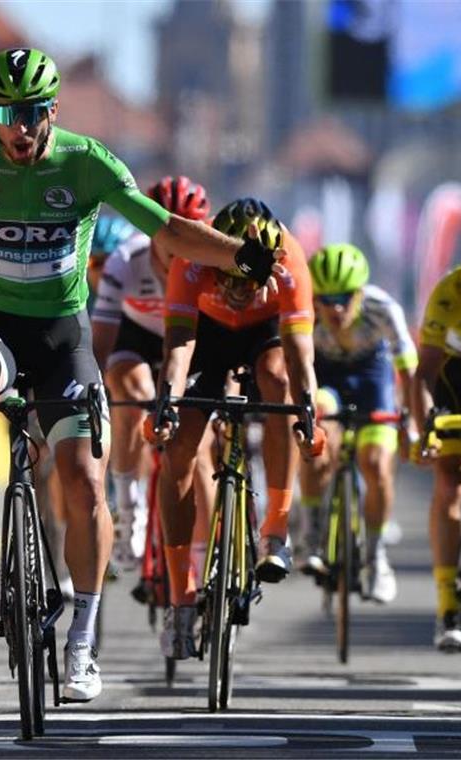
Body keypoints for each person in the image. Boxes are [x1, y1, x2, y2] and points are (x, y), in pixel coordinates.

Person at [0, 49, 285, 703]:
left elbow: (169, 229)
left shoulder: (86, 163)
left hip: (64, 338)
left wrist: (241, 254)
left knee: (85, 481)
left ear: (51, 111)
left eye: (32, 112)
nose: (20, 126)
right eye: (7, 113)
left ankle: (83, 641)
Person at [153, 197, 319, 661]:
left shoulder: (289, 263)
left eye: (251, 282)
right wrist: (167, 401)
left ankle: (276, 531)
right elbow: (179, 347)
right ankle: (181, 597)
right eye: (229, 278)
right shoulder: (191, 260)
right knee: (181, 446)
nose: (239, 290)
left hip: (265, 335)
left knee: (279, 383)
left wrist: (307, 412)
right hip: (206, 335)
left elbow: (300, 355)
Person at [91, 177, 214, 572]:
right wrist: (91, 386)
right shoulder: (124, 261)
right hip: (138, 336)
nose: (180, 248)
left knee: (201, 448)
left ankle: (202, 561)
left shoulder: (209, 264)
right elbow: (102, 339)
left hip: (192, 342)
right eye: (170, 236)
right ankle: (129, 503)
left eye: (189, 236)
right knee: (132, 391)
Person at [298, 244, 418, 604]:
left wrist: (410, 425)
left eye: (344, 297)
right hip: (326, 377)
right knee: (318, 441)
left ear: (360, 292)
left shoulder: (383, 309)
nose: (334, 307)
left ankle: (376, 557)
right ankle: (311, 532)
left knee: (377, 462)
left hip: (373, 377)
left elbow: (408, 372)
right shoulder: (304, 309)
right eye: (326, 298)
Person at [411, 265, 461, 652]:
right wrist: (424, 430)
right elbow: (424, 375)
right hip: (456, 379)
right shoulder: (452, 289)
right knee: (451, 482)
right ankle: (449, 602)